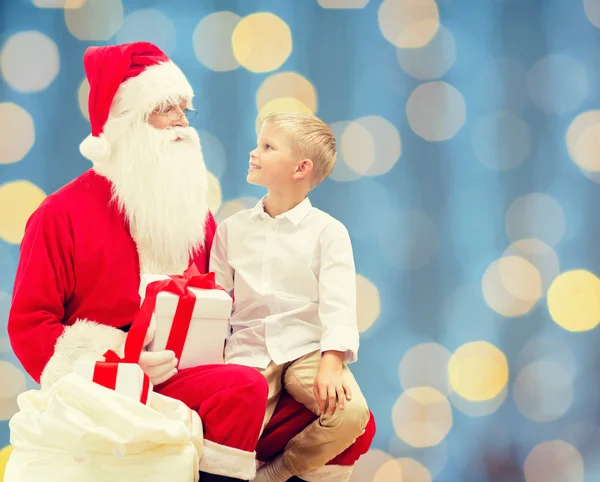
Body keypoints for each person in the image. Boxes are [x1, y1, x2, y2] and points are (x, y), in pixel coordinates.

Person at [7, 41, 265, 482]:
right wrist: (117, 359)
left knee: (318, 414)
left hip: (194, 370)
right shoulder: (60, 214)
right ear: (127, 122)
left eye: (185, 109)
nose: (183, 122)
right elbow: (30, 325)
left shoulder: (195, 216)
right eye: (166, 109)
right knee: (243, 390)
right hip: (109, 381)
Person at [209, 112, 371, 482]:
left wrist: (332, 362)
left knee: (351, 413)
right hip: (246, 349)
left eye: (267, 147)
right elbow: (217, 300)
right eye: (257, 144)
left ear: (301, 168)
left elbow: (339, 303)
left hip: (306, 349)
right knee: (230, 428)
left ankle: (277, 473)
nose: (254, 153)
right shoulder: (232, 229)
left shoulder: (329, 232)